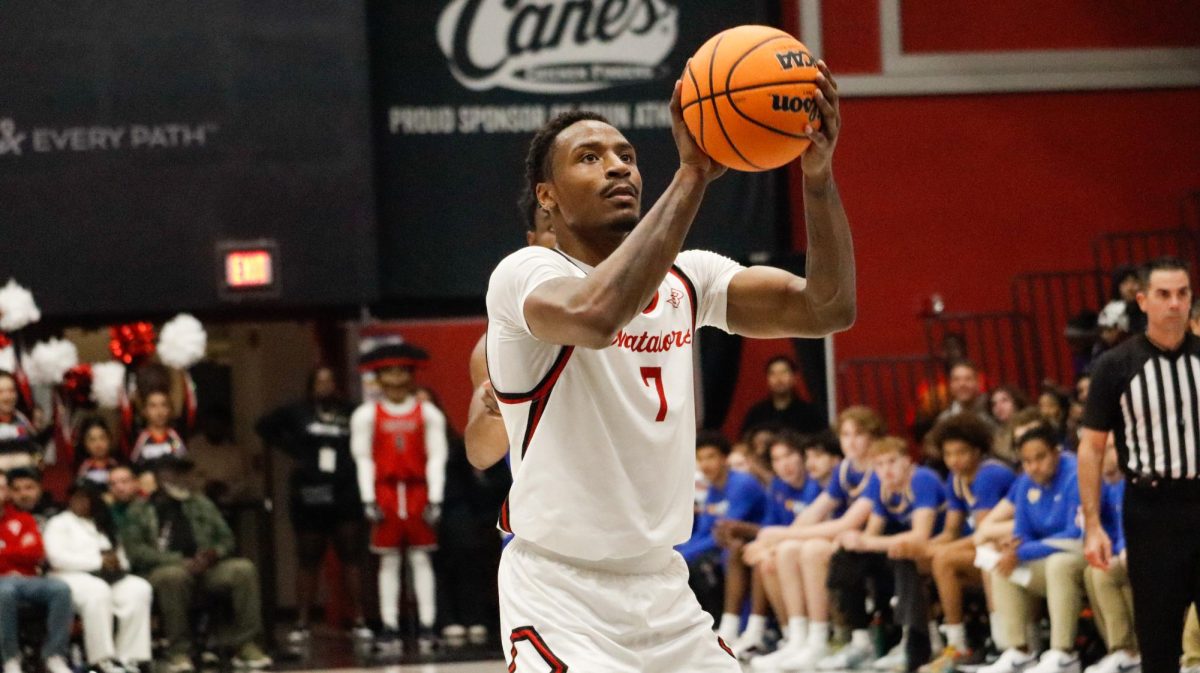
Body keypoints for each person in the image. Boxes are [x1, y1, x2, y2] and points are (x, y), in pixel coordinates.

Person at [484, 57, 852, 671]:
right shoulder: (527, 275)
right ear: (545, 197)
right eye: (589, 157)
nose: (616, 167)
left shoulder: (691, 276)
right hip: (561, 594)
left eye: (625, 155)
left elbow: (827, 307)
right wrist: (694, 174)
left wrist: (817, 177)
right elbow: (598, 315)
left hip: (663, 590)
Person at [1079, 257, 1200, 673]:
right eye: (1164, 295)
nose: (1174, 304)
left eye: (1183, 294)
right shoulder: (1116, 365)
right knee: (1159, 636)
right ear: (1143, 300)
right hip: (1151, 510)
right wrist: (1093, 526)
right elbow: (1092, 448)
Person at [749, 406, 884, 672]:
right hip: (844, 541)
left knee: (810, 549)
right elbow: (814, 513)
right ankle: (799, 639)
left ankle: (820, 639)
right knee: (787, 550)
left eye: (858, 434)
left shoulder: (879, 470)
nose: (851, 441)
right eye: (845, 435)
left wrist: (781, 534)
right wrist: (773, 544)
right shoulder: (846, 469)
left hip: (873, 542)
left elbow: (848, 523)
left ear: (873, 437)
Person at [120, 455, 271, 672]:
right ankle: (179, 652)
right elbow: (136, 552)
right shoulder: (140, 509)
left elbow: (226, 538)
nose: (180, 478)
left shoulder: (200, 503)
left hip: (205, 567)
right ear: (160, 477)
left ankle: (245, 644)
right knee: (174, 576)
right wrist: (179, 561)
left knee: (243, 569)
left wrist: (212, 554)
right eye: (173, 472)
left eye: (182, 472)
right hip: (161, 571)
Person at [255, 366, 368, 643]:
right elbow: (263, 426)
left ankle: (360, 618)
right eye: (319, 381)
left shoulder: (351, 411)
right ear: (310, 385)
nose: (325, 385)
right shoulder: (298, 411)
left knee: (351, 555)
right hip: (310, 491)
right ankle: (303, 620)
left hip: (344, 490)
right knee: (308, 556)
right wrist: (294, 450)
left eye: (329, 380)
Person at [351, 342, 447, 654]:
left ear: (411, 376)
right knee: (388, 561)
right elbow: (363, 458)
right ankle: (389, 626)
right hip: (386, 492)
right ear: (378, 378)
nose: (396, 379)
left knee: (421, 558)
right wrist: (368, 498)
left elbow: (436, 457)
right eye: (389, 373)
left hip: (418, 490)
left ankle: (428, 624)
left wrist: (436, 496)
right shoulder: (367, 415)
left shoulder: (428, 413)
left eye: (402, 372)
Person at [826, 436, 947, 672]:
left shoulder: (922, 479)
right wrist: (853, 542)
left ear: (907, 462)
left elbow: (920, 536)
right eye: (879, 465)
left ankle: (915, 644)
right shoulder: (881, 486)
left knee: (902, 552)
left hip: (937, 548)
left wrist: (866, 542)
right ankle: (860, 639)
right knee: (847, 557)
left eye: (891, 462)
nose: (885, 470)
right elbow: (871, 535)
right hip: (905, 552)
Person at [463, 187, 557, 472]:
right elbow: (480, 455)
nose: (566, 237)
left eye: (577, 225)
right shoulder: (498, 343)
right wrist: (498, 409)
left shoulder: (643, 307)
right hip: (552, 508)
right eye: (552, 227)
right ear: (533, 241)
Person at [982, 427, 1086, 673]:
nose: (1033, 466)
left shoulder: (1076, 474)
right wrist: (1013, 548)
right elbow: (1022, 532)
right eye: (1026, 461)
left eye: (1040, 457)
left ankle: (1064, 654)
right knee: (1002, 566)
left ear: (1056, 453)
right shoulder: (1025, 483)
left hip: (1082, 554)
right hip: (1047, 558)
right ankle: (1019, 651)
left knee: (1058, 564)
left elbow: (1075, 532)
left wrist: (1022, 551)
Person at [922, 414, 1016, 673]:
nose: (954, 460)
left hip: (1006, 547)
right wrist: (925, 547)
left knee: (943, 559)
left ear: (977, 450)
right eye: (948, 454)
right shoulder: (956, 479)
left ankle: (960, 645)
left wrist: (941, 551)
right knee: (921, 558)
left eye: (961, 452)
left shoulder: (990, 474)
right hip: (980, 548)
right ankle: (924, 641)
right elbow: (951, 531)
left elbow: (984, 534)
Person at [732, 430, 839, 658]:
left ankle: (813, 635)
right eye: (777, 459)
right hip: (792, 547)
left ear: (802, 457)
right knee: (767, 558)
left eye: (789, 455)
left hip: (816, 547)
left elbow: (808, 530)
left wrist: (771, 543)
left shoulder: (818, 484)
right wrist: (767, 546)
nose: (784, 464)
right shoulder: (778, 488)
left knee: (785, 552)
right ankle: (792, 635)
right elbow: (774, 528)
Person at [43, 482, 153, 673]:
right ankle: (102, 660)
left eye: (85, 498)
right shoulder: (59, 523)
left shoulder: (103, 522)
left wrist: (117, 563)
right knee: (97, 591)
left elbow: (122, 558)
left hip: (107, 576)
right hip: (69, 577)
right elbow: (56, 558)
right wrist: (97, 561)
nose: (79, 502)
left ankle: (129, 657)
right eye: (76, 497)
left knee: (138, 588)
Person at [678, 431, 769, 628]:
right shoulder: (712, 489)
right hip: (725, 546)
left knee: (697, 565)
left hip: (751, 542)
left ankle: (721, 625)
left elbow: (725, 531)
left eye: (711, 457)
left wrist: (683, 555)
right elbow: (704, 532)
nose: (705, 464)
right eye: (700, 459)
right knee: (679, 563)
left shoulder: (742, 483)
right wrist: (676, 552)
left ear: (724, 458)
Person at [0, 471, 73, 673]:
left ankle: (54, 655)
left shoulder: (24, 519)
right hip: (2, 583)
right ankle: (10, 658)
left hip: (29, 579)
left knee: (60, 588)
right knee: (4, 592)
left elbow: (36, 553)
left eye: (2, 488)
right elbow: (25, 552)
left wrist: (4, 552)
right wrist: (18, 551)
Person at [1081, 436, 1139, 673]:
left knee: (1110, 570)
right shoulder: (1102, 486)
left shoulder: (1137, 482)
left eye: (1112, 448)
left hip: (1154, 551)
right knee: (1097, 570)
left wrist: (1124, 549)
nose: (1106, 455)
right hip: (1126, 554)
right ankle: (1122, 650)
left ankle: (1130, 650)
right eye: (1101, 450)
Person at [740, 356, 828, 436]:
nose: (778, 379)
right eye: (773, 373)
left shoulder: (810, 413)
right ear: (767, 380)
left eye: (784, 372)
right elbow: (744, 442)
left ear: (794, 378)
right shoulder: (757, 414)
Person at [129, 389, 187, 470]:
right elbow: (134, 466)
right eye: (153, 406)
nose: (159, 412)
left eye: (164, 405)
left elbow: (182, 458)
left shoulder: (174, 436)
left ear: (170, 409)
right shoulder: (140, 438)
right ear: (144, 411)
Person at [937, 361, 996, 429]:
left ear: (978, 383)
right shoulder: (944, 420)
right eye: (956, 380)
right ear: (951, 385)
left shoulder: (994, 412)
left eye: (968, 379)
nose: (962, 384)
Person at [0, 370, 39, 472]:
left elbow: (35, 451)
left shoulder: (22, 420)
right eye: (1, 392)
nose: (7, 397)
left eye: (11, 391)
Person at [76, 417, 122, 487]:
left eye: (102, 438)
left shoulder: (117, 465)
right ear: (85, 444)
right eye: (92, 440)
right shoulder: (83, 469)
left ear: (109, 440)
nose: (98, 444)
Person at [989, 385, 1030, 465]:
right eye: (994, 404)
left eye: (1004, 401)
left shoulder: (1027, 427)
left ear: (1016, 403)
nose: (998, 407)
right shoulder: (997, 434)